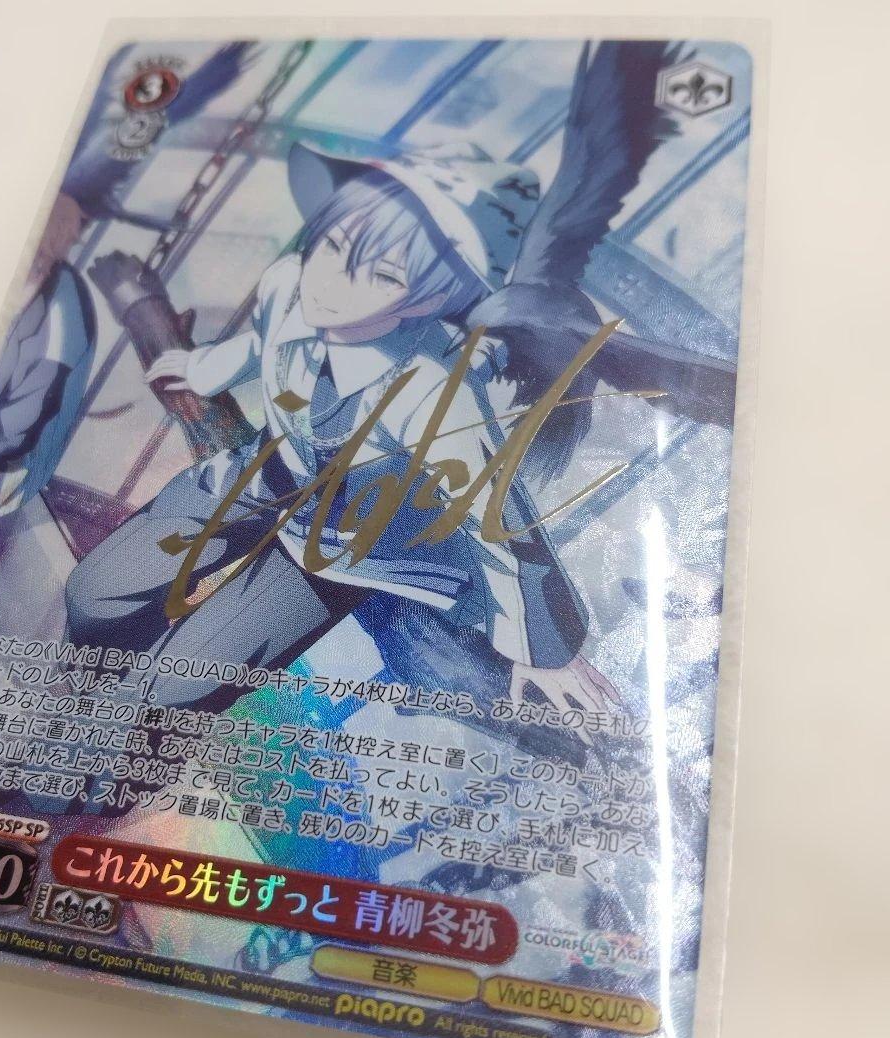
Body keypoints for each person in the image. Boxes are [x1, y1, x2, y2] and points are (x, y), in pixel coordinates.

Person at [64, 143, 620, 726]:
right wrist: (202, 370)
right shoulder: (288, 284)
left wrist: (546, 649)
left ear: (433, 298)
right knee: (94, 592)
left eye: (382, 274)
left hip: (346, 547)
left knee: (179, 681)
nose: (333, 280)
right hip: (264, 472)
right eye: (334, 244)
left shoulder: (430, 391)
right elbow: (261, 343)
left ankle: (102, 750)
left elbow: (497, 519)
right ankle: (75, 690)